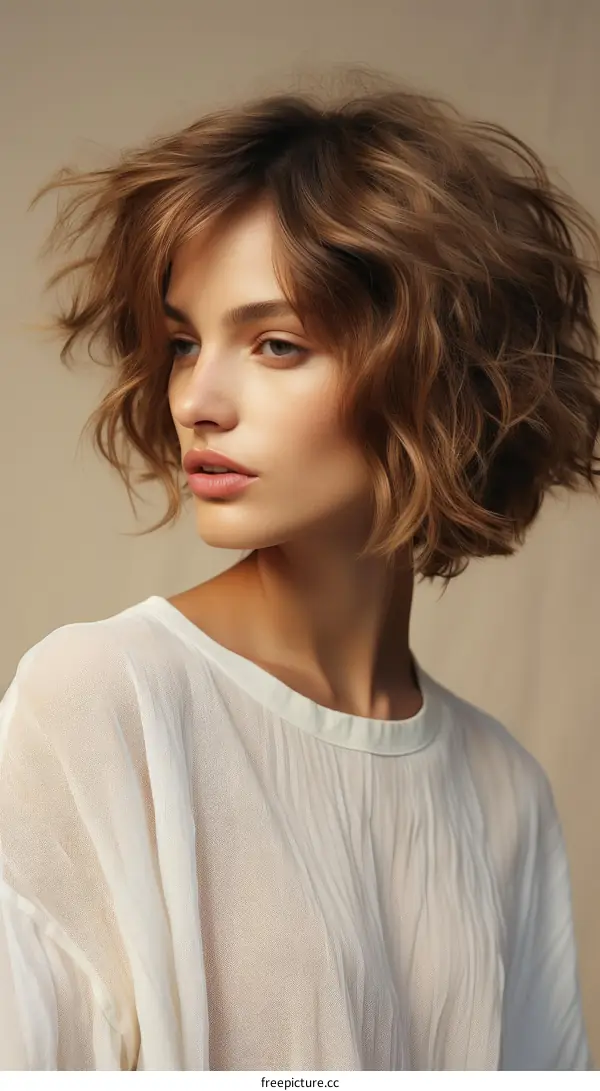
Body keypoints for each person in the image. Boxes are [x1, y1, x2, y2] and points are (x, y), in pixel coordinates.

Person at [0, 74, 598, 1072]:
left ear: (434, 373)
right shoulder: (105, 701)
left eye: (276, 344)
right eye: (185, 341)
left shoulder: (504, 792)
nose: (197, 397)